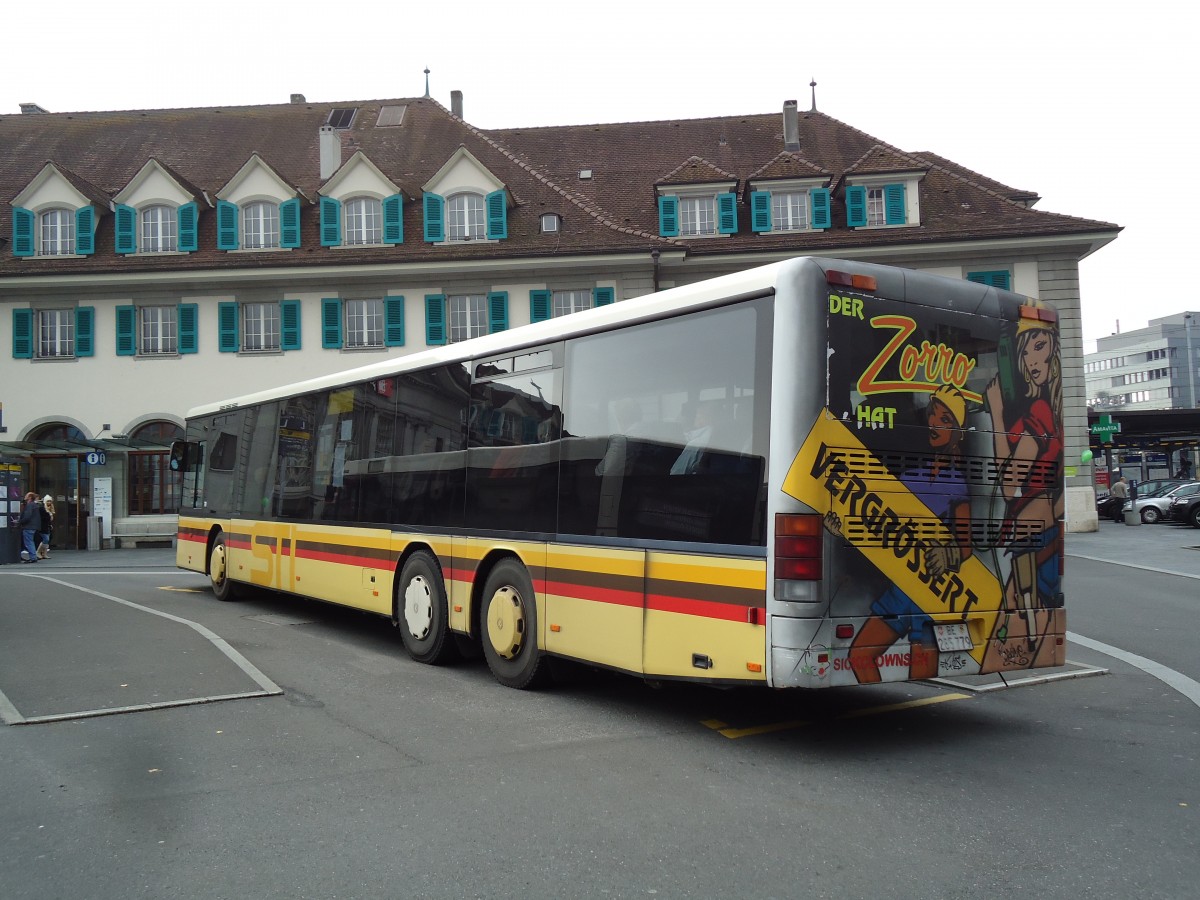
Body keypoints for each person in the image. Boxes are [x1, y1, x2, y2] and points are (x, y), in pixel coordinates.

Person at [18, 492, 41, 563]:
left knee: (29, 542)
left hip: (28, 526)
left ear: (30, 498)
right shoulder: (34, 505)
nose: (25, 497)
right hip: (33, 526)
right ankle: (33, 556)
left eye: (26, 496)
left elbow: (27, 516)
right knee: (30, 541)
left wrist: (20, 521)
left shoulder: (30, 505)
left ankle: (33, 557)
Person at [38, 494, 55, 558]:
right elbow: (44, 518)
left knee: (47, 540)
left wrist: (50, 524)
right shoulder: (42, 509)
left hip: (47, 526)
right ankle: (38, 552)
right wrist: (50, 515)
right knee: (46, 539)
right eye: (48, 501)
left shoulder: (50, 508)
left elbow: (51, 519)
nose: (49, 502)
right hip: (43, 526)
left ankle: (44, 553)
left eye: (50, 501)